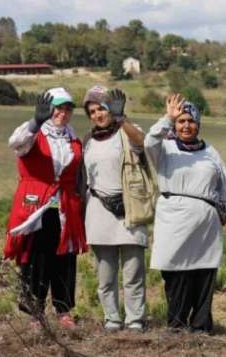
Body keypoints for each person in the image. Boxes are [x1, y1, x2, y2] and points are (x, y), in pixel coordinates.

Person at [145, 94, 226, 333]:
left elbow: (224, 186)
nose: (186, 125)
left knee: (204, 274)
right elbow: (148, 142)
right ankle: (176, 324)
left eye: (191, 121)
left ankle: (200, 326)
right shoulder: (165, 149)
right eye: (181, 121)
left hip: (205, 223)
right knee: (175, 273)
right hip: (173, 220)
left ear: (198, 124)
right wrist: (167, 118)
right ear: (175, 125)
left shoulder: (211, 152)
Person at [3, 87, 87, 329]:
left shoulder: (73, 139)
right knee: (36, 256)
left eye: (67, 108)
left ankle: (63, 311)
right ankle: (34, 314)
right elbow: (15, 143)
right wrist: (35, 122)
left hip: (64, 205)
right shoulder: (34, 133)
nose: (63, 112)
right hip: (36, 204)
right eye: (58, 107)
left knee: (64, 258)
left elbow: (78, 174)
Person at [80, 86, 147, 332]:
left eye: (102, 108)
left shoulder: (127, 132)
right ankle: (112, 318)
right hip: (98, 210)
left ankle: (135, 319)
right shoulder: (87, 141)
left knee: (133, 273)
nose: (98, 115)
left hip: (129, 207)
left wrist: (122, 119)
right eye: (92, 111)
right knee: (105, 275)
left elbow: (142, 144)